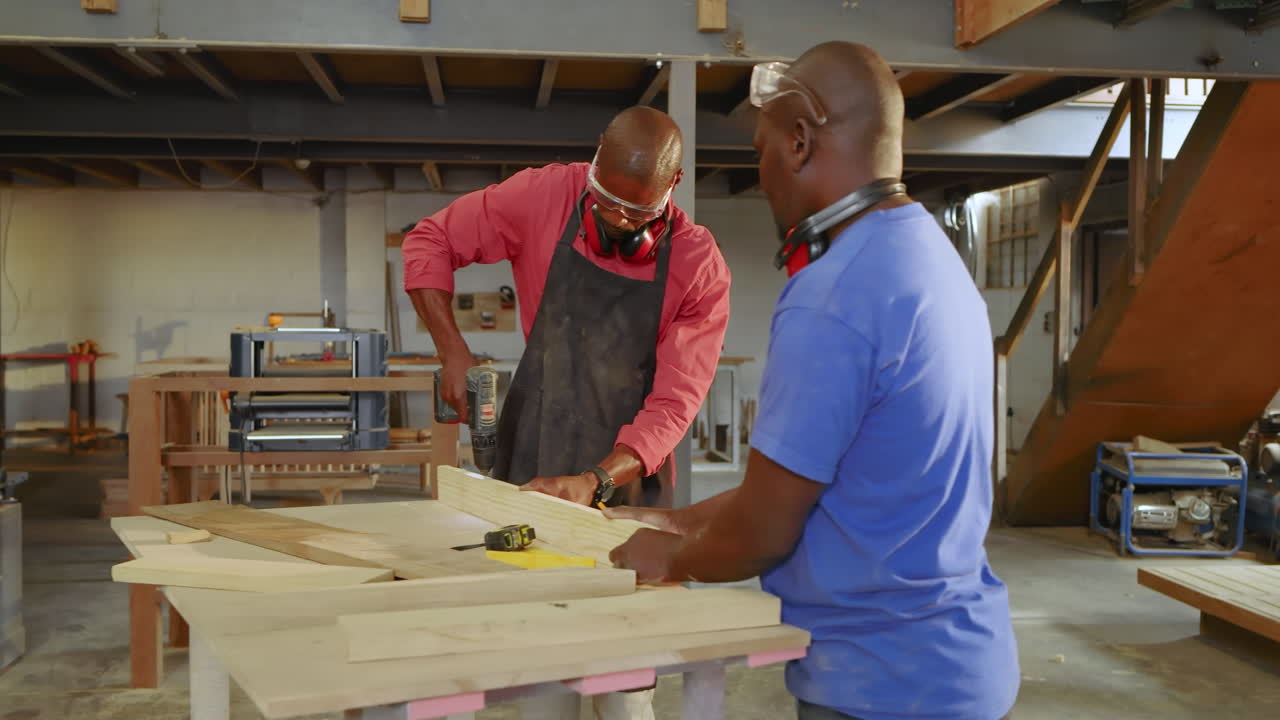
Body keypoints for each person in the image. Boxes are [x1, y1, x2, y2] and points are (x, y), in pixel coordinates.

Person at [607, 42, 1020, 720]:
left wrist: (668, 559)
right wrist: (669, 520)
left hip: (881, 684)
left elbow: (764, 533)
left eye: (762, 152)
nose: (764, 174)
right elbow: (805, 487)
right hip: (959, 664)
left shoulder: (833, 294)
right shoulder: (928, 258)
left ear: (799, 141)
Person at [402, 106, 731, 720]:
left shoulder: (698, 265)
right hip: (535, 470)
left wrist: (597, 479)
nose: (617, 222)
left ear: (672, 188)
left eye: (638, 213)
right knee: (543, 685)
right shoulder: (544, 195)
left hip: (627, 489)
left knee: (625, 691)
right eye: (605, 202)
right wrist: (453, 350)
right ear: (593, 167)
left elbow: (674, 401)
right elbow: (430, 239)